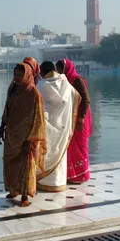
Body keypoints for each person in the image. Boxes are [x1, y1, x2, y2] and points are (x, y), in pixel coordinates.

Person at [0, 63, 47, 207]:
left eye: (20, 75)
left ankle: (25, 195)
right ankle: (13, 190)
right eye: (15, 75)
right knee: (10, 163)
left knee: (26, 166)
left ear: (27, 75)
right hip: (12, 133)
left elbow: (38, 118)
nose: (17, 78)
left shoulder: (33, 93)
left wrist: (31, 138)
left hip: (26, 136)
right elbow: (7, 108)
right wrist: (2, 127)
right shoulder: (13, 89)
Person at [35, 61, 81, 192]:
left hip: (47, 126)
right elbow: (76, 96)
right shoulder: (65, 83)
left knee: (47, 152)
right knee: (60, 151)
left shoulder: (42, 85)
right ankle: (58, 183)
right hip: (63, 125)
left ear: (42, 73)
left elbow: (37, 104)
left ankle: (44, 182)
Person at [56, 59, 92, 184]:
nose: (58, 72)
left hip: (80, 118)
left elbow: (86, 99)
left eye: (60, 69)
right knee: (69, 146)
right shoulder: (64, 80)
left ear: (66, 69)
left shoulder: (77, 80)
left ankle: (81, 175)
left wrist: (81, 118)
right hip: (70, 117)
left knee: (81, 145)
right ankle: (71, 174)